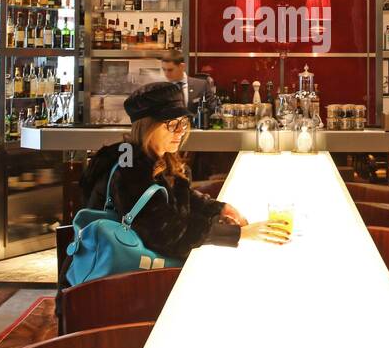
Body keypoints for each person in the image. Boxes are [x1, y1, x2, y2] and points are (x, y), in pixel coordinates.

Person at [75, 81, 290, 271]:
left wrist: (219, 208)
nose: (179, 131)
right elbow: (166, 233)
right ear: (147, 125)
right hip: (116, 286)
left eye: (183, 123)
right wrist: (239, 234)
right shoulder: (129, 164)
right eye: (171, 124)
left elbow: (178, 196)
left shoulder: (159, 157)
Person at [159, 51, 216, 121]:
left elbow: (213, 109)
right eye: (164, 70)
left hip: (195, 130)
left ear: (182, 66)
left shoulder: (201, 85)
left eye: (170, 70)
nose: (166, 74)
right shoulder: (161, 89)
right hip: (169, 130)